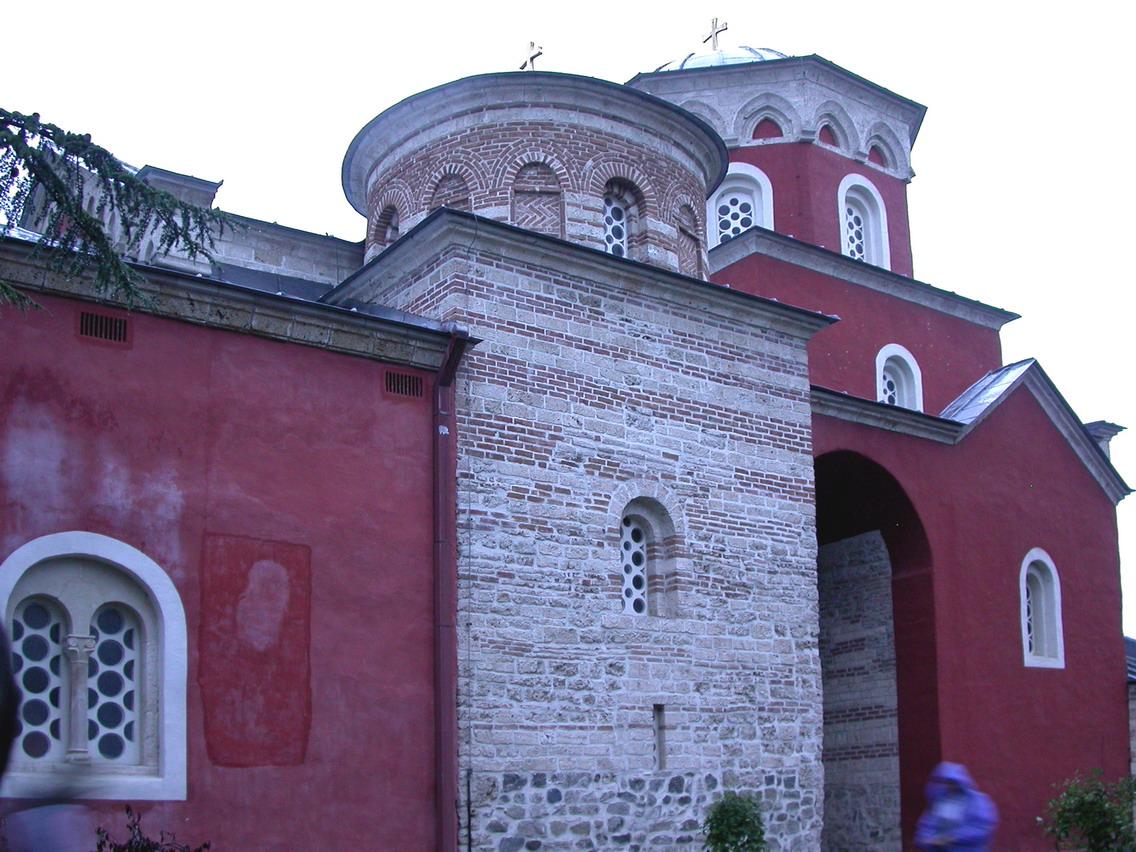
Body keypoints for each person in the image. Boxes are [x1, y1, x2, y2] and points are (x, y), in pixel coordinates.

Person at [915, 761, 998, 850]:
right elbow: (929, 822)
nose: (949, 786)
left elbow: (982, 827)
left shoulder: (977, 801)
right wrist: (926, 838)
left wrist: (953, 838)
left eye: (952, 782)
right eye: (946, 782)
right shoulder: (942, 801)